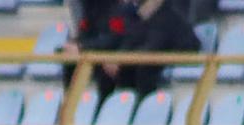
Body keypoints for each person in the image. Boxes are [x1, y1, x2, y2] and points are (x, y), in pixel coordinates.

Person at [62, 0, 200, 101]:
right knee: (107, 69)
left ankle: (143, 110)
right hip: (148, 52)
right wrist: (117, 57)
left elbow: (154, 46)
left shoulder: (168, 16)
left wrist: (121, 59)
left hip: (174, 53)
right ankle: (104, 110)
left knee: (144, 68)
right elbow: (130, 38)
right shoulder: (136, 14)